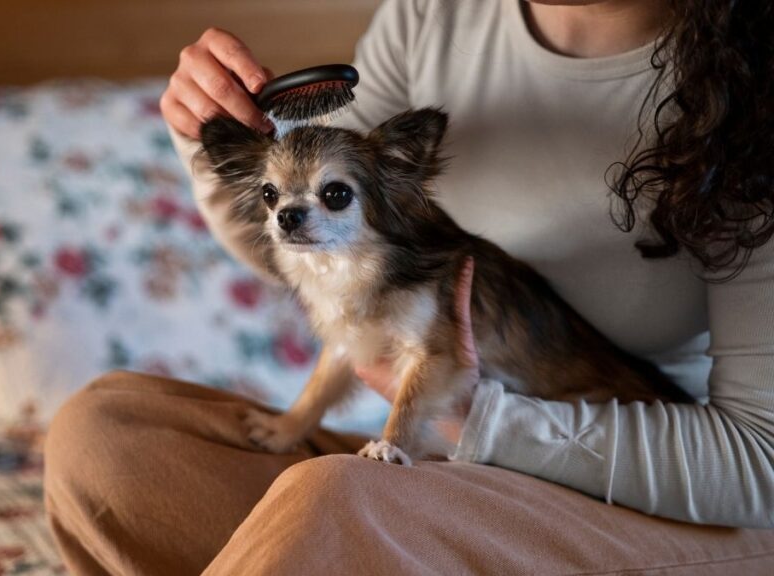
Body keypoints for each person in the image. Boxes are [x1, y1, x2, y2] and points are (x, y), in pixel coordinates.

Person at [44, 1, 774, 574]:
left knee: (338, 505)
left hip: (668, 500)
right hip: (461, 469)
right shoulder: (436, 12)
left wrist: (474, 420)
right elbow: (329, 246)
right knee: (110, 440)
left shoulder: (753, 85)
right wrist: (208, 133)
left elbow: (761, 466)